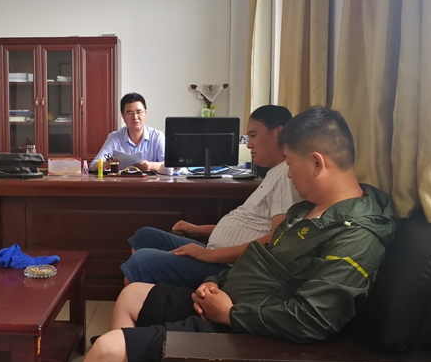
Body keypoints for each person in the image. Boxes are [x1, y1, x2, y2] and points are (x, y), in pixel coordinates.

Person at [67, 106, 396, 362]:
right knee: (131, 295)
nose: (288, 173)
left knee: (106, 350)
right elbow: (261, 261)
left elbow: (313, 318)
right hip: (230, 301)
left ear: (316, 162)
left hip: (245, 328)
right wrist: (214, 283)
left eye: (290, 163)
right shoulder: (308, 209)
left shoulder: (357, 233)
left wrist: (230, 313)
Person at [121, 105, 300, 288]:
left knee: (141, 262)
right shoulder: (273, 173)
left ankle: (140, 299)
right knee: (144, 236)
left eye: (253, 135)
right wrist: (198, 230)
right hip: (214, 252)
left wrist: (209, 255)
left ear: (279, 133)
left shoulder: (286, 174)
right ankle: (144, 297)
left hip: (227, 266)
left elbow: (277, 239)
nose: (249, 144)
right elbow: (253, 226)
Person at [90, 93, 165, 172]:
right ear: (123, 117)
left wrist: (151, 166)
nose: (135, 117)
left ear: (145, 113)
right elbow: (94, 165)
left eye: (139, 112)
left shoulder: (157, 137)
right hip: (121, 180)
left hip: (150, 180)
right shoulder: (114, 137)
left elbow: (169, 166)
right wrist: (107, 165)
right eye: (130, 113)